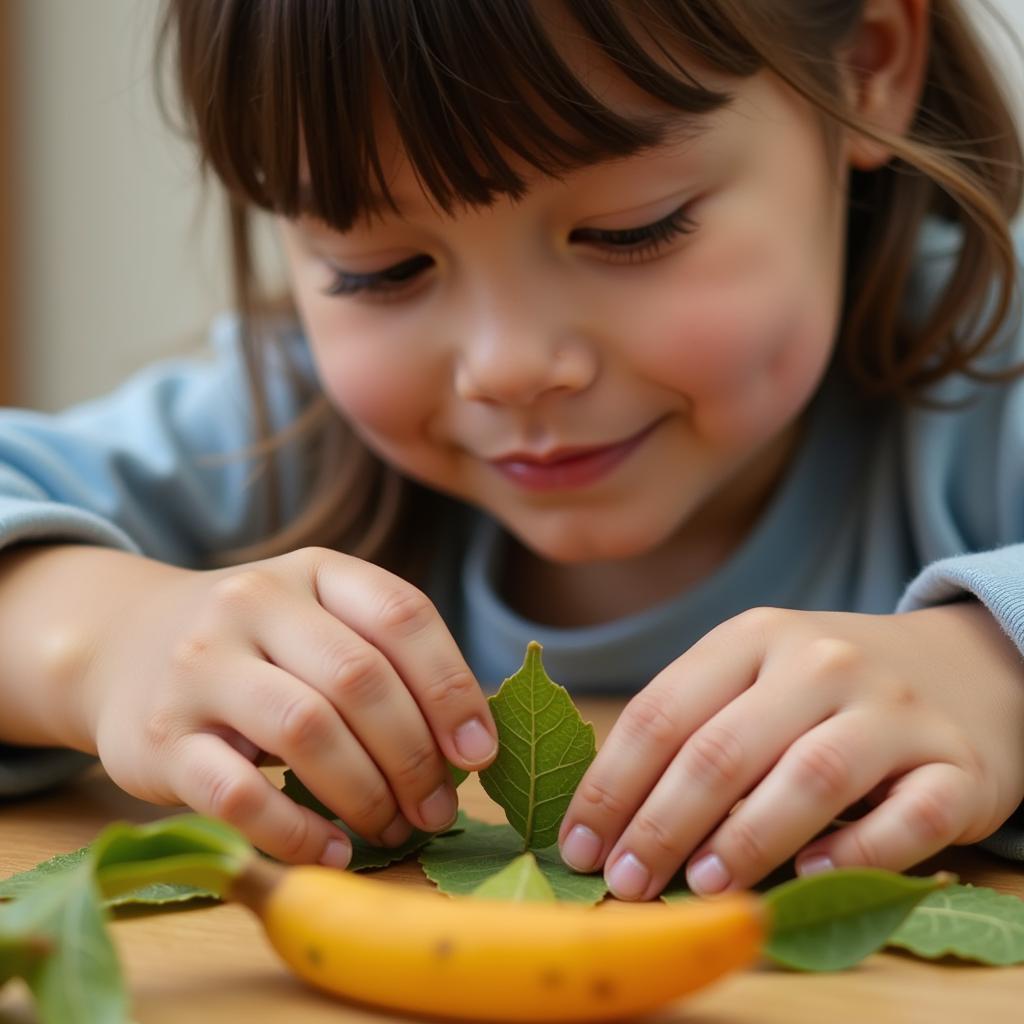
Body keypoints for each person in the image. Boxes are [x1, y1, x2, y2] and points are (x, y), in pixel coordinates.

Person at [1, 0, 1022, 903]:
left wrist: (994, 675)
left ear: (868, 66)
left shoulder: (994, 385)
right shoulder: (279, 432)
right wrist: (98, 643)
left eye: (631, 230)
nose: (508, 366)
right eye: (382, 269)